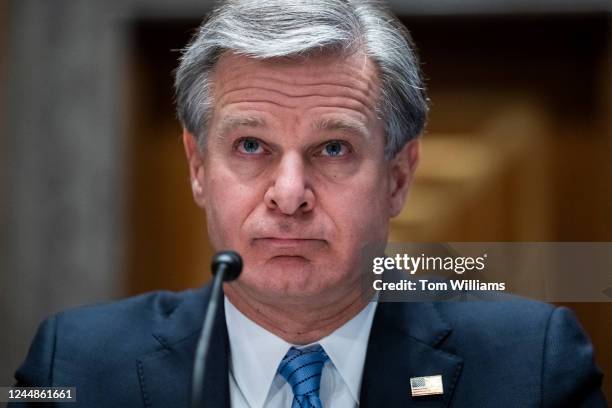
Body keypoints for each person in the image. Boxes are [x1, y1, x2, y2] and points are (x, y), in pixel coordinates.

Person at [11, 0, 606, 407]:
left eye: (332, 147)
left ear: (398, 177)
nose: (289, 194)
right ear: (198, 167)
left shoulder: (533, 368)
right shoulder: (76, 368)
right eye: (251, 145)